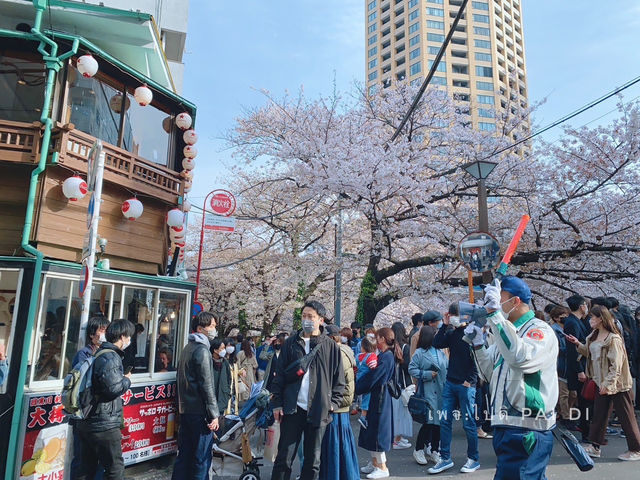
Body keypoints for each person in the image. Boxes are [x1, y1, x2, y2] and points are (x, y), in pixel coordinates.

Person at [468, 277, 558, 480]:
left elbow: (519, 357)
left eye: (498, 297)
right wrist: (478, 344)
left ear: (515, 301)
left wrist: (495, 316)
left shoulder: (539, 330)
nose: (492, 303)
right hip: (507, 424)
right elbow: (487, 372)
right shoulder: (508, 331)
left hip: (527, 426)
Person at [270, 301, 345, 480]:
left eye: (310, 316)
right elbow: (279, 375)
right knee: (284, 459)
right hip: (292, 408)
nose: (306, 320)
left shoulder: (330, 347)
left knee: (313, 462)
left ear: (320, 320)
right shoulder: (290, 344)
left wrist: (332, 403)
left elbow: (339, 380)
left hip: (319, 409)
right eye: (304, 316)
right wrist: (277, 404)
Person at [566, 305, 640, 460]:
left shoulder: (613, 339)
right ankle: (595, 446)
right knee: (599, 415)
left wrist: (609, 384)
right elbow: (589, 352)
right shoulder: (593, 335)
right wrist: (578, 344)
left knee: (626, 416)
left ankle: (635, 449)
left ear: (601, 319)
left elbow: (616, 365)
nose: (590, 319)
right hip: (601, 382)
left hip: (617, 384)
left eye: (593, 317)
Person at [75, 319, 134, 480]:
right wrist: (126, 379)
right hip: (104, 423)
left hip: (87, 419)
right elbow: (113, 389)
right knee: (115, 469)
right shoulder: (111, 356)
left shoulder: (99, 353)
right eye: (129, 336)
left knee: (87, 468)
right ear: (122, 337)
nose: (130, 340)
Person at [429, 304, 480, 475]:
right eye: (451, 315)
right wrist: (445, 324)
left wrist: (470, 380)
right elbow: (436, 343)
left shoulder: (473, 332)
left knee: (469, 423)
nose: (453, 318)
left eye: (455, 315)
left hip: (466, 384)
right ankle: (445, 458)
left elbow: (479, 358)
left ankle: (473, 459)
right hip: (451, 382)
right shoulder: (452, 332)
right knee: (445, 421)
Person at [171, 311, 220, 480]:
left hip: (186, 410)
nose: (214, 329)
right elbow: (207, 385)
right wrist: (214, 414)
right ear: (200, 328)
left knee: (184, 457)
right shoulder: (202, 351)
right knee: (201, 460)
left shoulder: (187, 348)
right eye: (212, 326)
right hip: (200, 413)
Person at [70, 315, 110, 480]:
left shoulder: (106, 353)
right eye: (102, 330)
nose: (104, 334)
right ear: (92, 334)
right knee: (81, 459)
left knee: (99, 460)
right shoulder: (83, 354)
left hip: (98, 416)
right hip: (83, 414)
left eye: (107, 331)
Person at [319, 325, 359, 480]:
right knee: (343, 447)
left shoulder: (337, 354)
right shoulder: (345, 350)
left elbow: (340, 383)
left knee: (335, 447)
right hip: (341, 405)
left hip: (336, 406)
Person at [408, 326, 448, 466]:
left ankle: (434, 450)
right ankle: (419, 449)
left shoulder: (440, 351)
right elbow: (411, 369)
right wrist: (426, 375)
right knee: (429, 423)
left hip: (441, 391)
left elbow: (446, 368)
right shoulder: (419, 353)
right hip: (428, 391)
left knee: (438, 424)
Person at [565, 294, 590, 439]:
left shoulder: (578, 321)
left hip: (583, 365)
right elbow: (572, 350)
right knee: (584, 400)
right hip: (579, 367)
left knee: (585, 400)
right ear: (582, 306)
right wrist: (580, 370)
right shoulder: (572, 323)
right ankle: (585, 432)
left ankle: (587, 430)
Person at [390, 322, 413, 449]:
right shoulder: (405, 347)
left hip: (393, 384)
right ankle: (397, 440)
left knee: (396, 412)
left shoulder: (390, 347)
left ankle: (398, 437)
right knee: (403, 412)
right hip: (403, 383)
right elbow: (408, 367)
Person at [549, 305, 572, 426]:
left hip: (568, 364)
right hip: (560, 364)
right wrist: (569, 348)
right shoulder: (553, 330)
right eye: (563, 315)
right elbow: (555, 348)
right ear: (557, 318)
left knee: (571, 393)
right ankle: (565, 417)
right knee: (564, 393)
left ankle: (565, 412)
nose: (566, 317)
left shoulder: (568, 327)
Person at [356, 335, 378, 429]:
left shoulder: (357, 356)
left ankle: (363, 414)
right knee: (367, 398)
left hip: (359, 380)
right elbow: (374, 368)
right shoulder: (371, 356)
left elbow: (355, 368)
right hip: (368, 381)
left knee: (363, 397)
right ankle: (363, 417)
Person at [210, 338, 232, 414]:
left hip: (222, 397)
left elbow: (229, 379)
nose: (224, 350)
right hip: (210, 399)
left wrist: (227, 392)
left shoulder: (225, 362)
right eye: (222, 348)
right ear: (215, 350)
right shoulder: (208, 362)